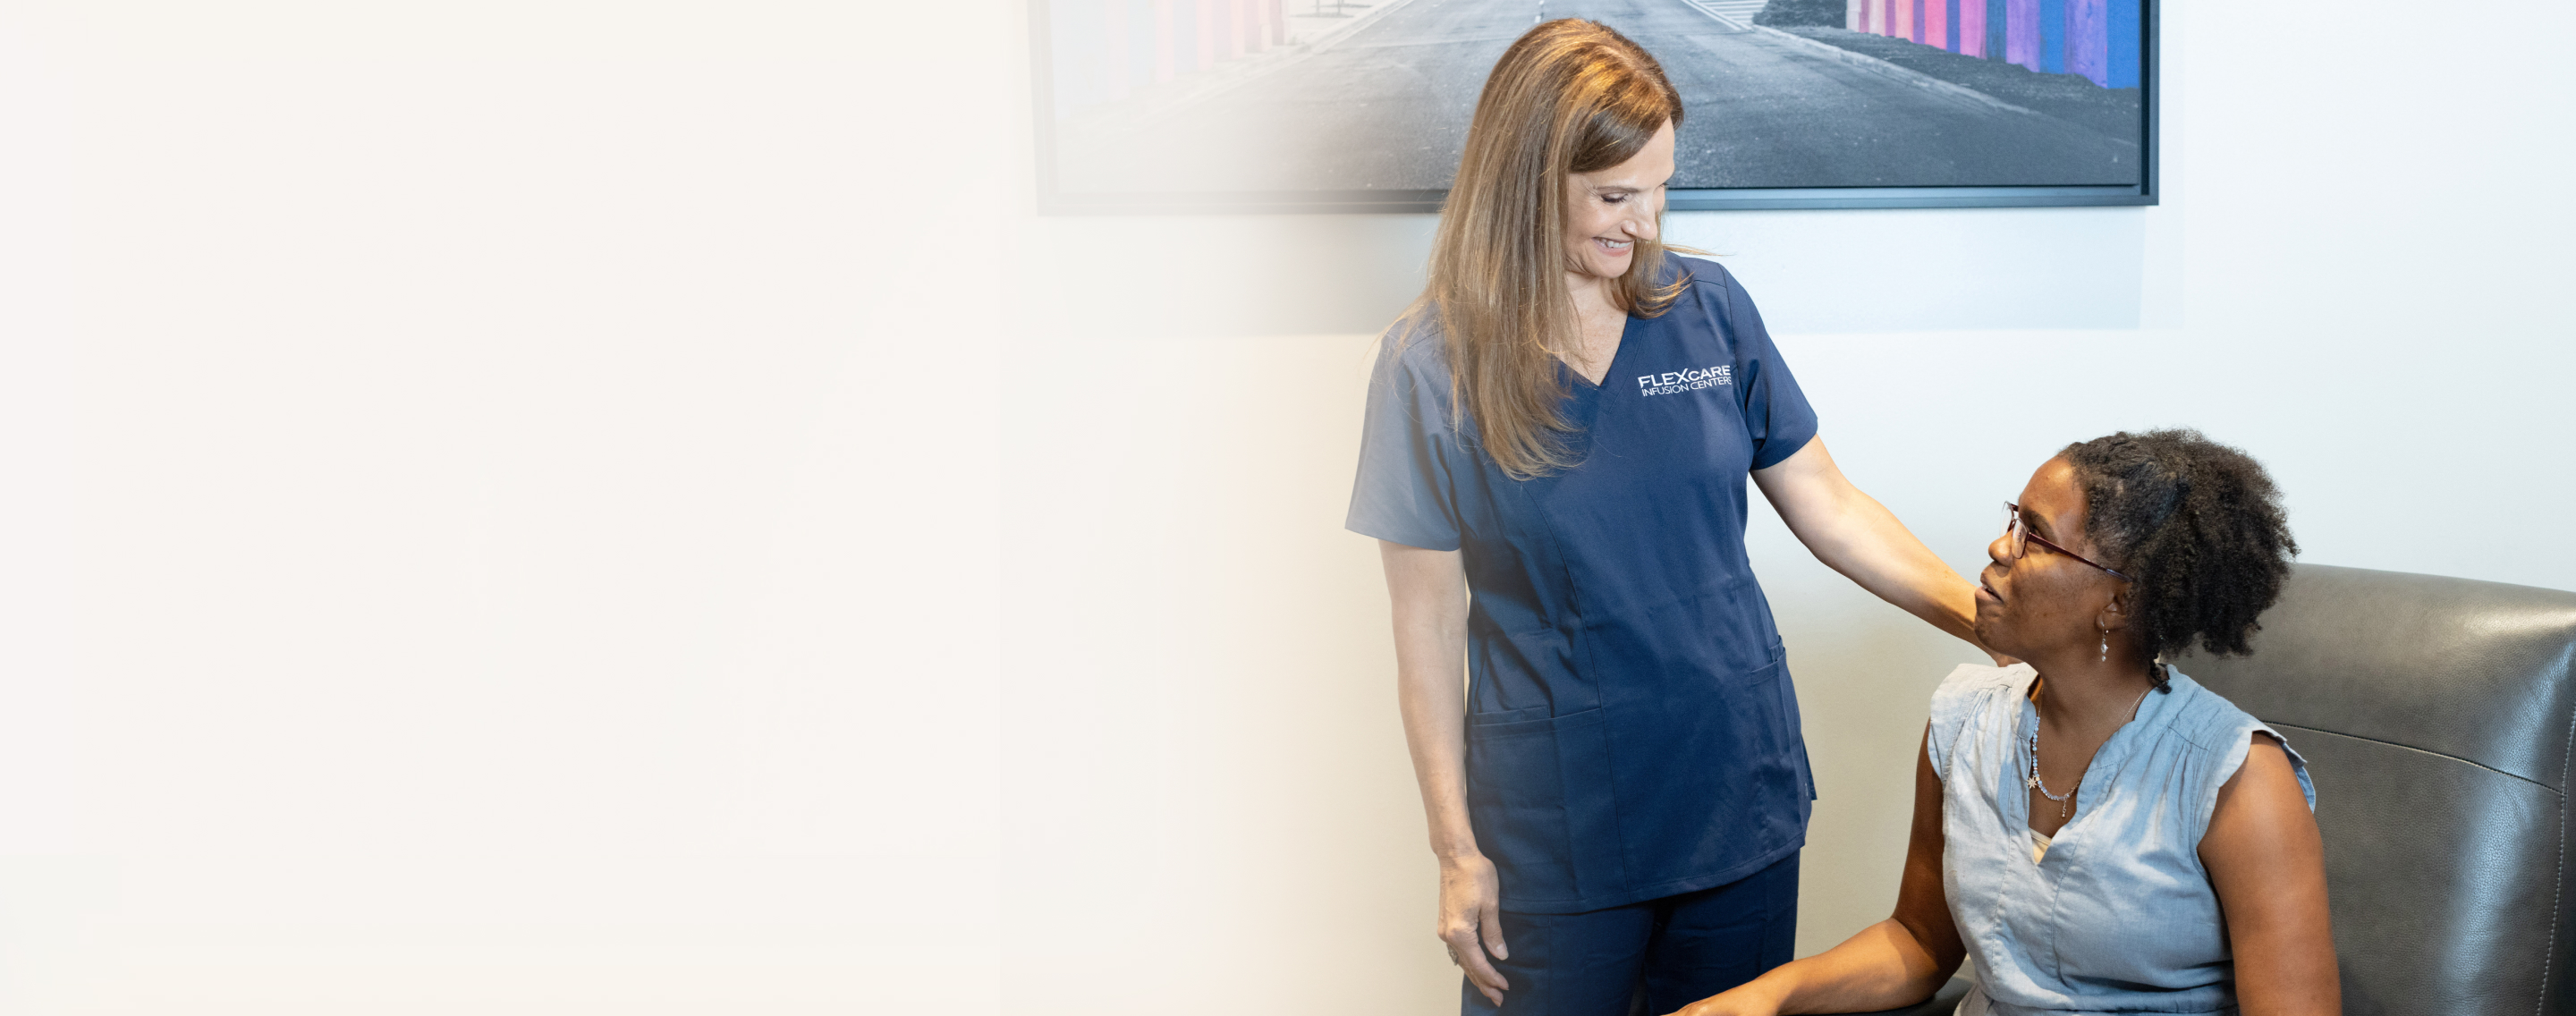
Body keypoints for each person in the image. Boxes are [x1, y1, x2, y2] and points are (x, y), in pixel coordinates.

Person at [1346, 20, 1998, 1015]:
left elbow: (1828, 504)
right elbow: (1427, 627)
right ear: (1526, 181)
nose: (1645, 223)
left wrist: (1990, 623)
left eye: (1660, 190)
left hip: (1734, 790)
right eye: (1614, 197)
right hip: (1556, 823)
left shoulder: (1709, 308)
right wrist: (1454, 848)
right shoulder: (1429, 365)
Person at [1667, 430, 2337, 1016]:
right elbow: (1919, 942)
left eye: (2034, 537)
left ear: (2119, 601)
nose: (1998, 546)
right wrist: (1768, 995)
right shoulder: (1964, 719)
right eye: (2013, 520)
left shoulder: (2239, 777)